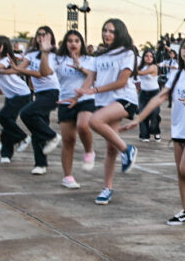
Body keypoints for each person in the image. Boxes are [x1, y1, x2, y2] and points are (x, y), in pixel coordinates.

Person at [123, 36, 185, 224]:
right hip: (179, 128)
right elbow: (159, 98)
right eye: (184, 48)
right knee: (181, 173)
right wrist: (139, 118)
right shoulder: (177, 74)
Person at [73, 18, 140, 204]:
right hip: (104, 101)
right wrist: (76, 98)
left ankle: (128, 149)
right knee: (111, 148)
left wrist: (93, 91)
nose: (106, 34)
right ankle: (107, 189)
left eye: (111, 31)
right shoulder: (100, 56)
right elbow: (91, 79)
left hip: (123, 99)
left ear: (119, 33)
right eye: (104, 30)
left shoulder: (127, 53)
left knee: (94, 121)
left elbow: (121, 82)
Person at [16, 26, 62, 175]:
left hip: (52, 92)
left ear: (51, 37)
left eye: (44, 35)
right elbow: (18, 69)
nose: (41, 37)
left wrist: (44, 52)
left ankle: (53, 136)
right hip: (39, 93)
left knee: (26, 114)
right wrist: (9, 68)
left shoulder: (55, 55)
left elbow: (44, 73)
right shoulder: (31, 54)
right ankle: (40, 164)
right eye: (38, 35)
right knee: (37, 128)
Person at [55, 30, 97, 189]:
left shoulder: (90, 60)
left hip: (86, 99)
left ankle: (89, 151)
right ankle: (67, 177)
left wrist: (80, 67)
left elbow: (94, 78)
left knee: (83, 125)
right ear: (65, 43)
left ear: (82, 44)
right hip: (65, 99)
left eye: (77, 41)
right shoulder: (59, 60)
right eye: (70, 41)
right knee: (68, 140)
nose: (73, 43)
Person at [0, 35, 32, 163]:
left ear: (4, 47)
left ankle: (23, 137)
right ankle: (6, 155)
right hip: (10, 96)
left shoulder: (6, 59)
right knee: (7, 124)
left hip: (22, 93)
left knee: (2, 117)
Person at [136, 49, 161, 142]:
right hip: (143, 92)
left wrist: (130, 69)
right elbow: (136, 78)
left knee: (154, 114)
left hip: (154, 93)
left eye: (151, 56)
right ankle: (144, 135)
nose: (149, 58)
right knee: (142, 114)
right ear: (143, 57)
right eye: (146, 56)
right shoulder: (140, 66)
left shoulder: (154, 67)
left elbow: (142, 73)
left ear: (153, 58)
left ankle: (156, 131)